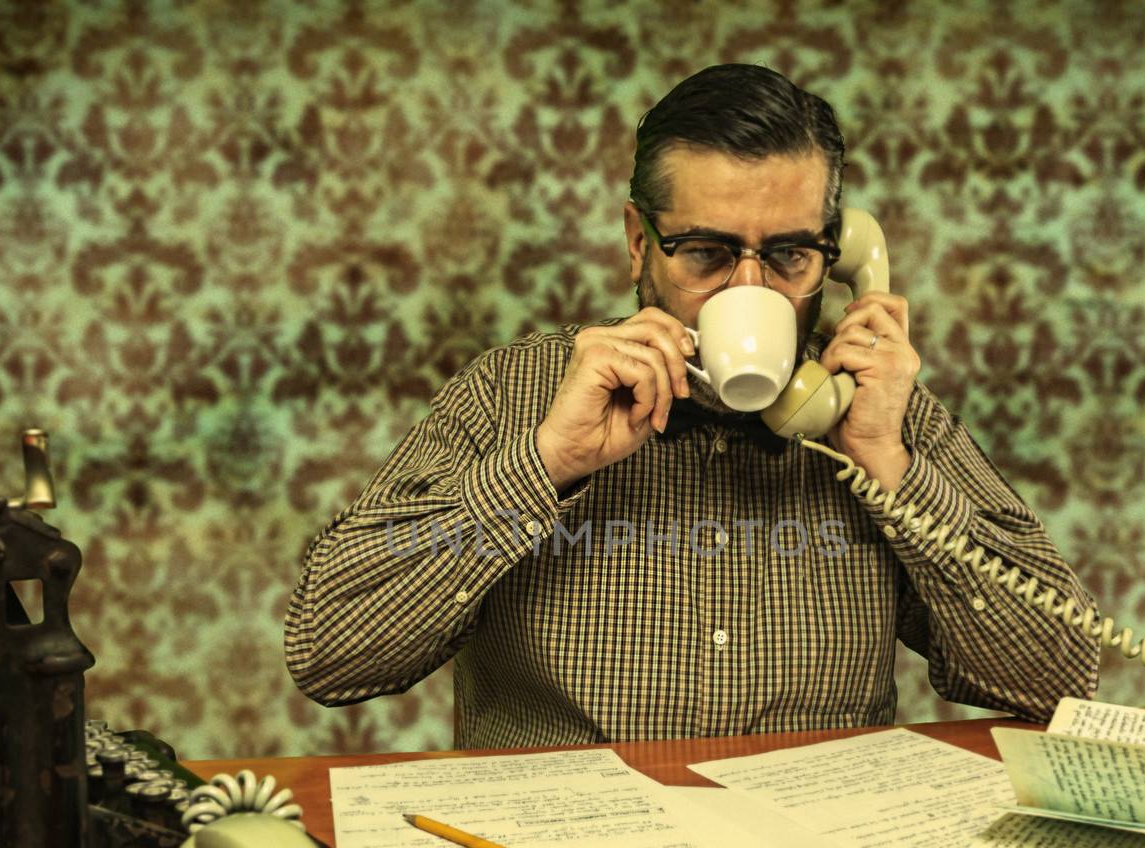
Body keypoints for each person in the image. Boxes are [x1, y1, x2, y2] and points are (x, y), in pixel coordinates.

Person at [285, 64, 1100, 747]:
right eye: (706, 253)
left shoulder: (875, 411)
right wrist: (544, 465)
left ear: (839, 254)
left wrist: (889, 463)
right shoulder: (515, 390)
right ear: (640, 243)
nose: (750, 290)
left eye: (788, 255)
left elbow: (1059, 676)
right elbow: (328, 650)